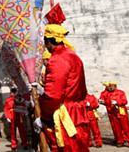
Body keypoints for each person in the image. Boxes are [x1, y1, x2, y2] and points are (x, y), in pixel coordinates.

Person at [37, 19, 90, 151]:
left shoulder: (57, 59)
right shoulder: (73, 56)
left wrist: (43, 115)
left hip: (65, 113)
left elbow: (53, 95)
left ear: (48, 41)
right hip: (77, 111)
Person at [99, 81, 129, 148]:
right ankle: (120, 141)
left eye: (112, 86)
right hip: (112, 112)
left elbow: (125, 101)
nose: (110, 87)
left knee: (126, 127)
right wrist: (102, 102)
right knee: (116, 128)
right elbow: (105, 102)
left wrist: (117, 102)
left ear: (115, 86)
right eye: (109, 86)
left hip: (121, 111)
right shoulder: (106, 93)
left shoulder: (121, 92)